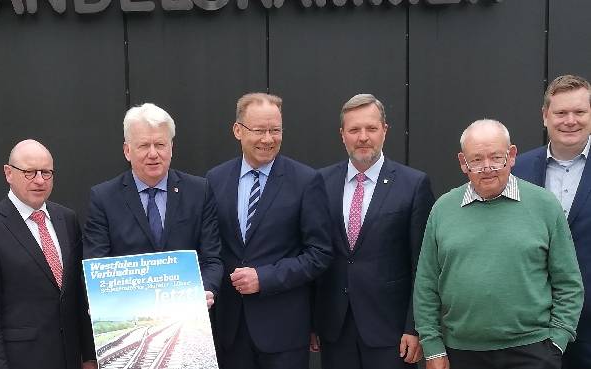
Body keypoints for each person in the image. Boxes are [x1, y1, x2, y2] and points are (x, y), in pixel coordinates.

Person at [414, 119, 584, 369]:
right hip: (460, 353)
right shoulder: (443, 209)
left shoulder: (545, 205)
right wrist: (432, 349)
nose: (487, 167)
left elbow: (568, 282)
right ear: (463, 162)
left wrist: (556, 343)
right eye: (476, 159)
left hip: (532, 351)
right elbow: (426, 284)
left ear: (512, 155)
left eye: (496, 157)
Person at [205, 92, 333, 369]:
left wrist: (265, 278)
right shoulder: (215, 180)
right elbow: (209, 248)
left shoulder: (306, 181)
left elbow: (320, 253)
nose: (268, 139)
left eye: (275, 130)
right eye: (259, 130)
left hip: (283, 332)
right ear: (238, 130)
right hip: (231, 330)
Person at [314, 94, 433, 369]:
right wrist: (312, 322)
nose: (363, 137)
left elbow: (423, 264)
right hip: (335, 329)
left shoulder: (413, 185)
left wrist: (415, 327)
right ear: (342, 134)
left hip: (392, 332)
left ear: (385, 130)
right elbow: (314, 254)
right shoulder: (320, 182)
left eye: (371, 128)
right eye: (354, 129)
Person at [0, 139, 96, 369]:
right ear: (8, 173)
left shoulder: (67, 219)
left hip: (69, 358)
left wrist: (88, 355)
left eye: (46, 172)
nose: (39, 180)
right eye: (29, 172)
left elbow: (77, 294)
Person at [83, 103, 223, 306]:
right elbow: (96, 265)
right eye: (143, 145)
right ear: (127, 150)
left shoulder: (199, 191)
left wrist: (206, 290)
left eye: (160, 144)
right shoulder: (104, 198)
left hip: (186, 310)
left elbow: (212, 259)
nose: (153, 153)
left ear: (171, 148)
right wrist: (102, 304)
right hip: (130, 311)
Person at [513, 74, 591, 369]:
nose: (570, 120)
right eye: (561, 112)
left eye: (579, 111)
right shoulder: (516, 170)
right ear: (545, 115)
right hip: (531, 323)